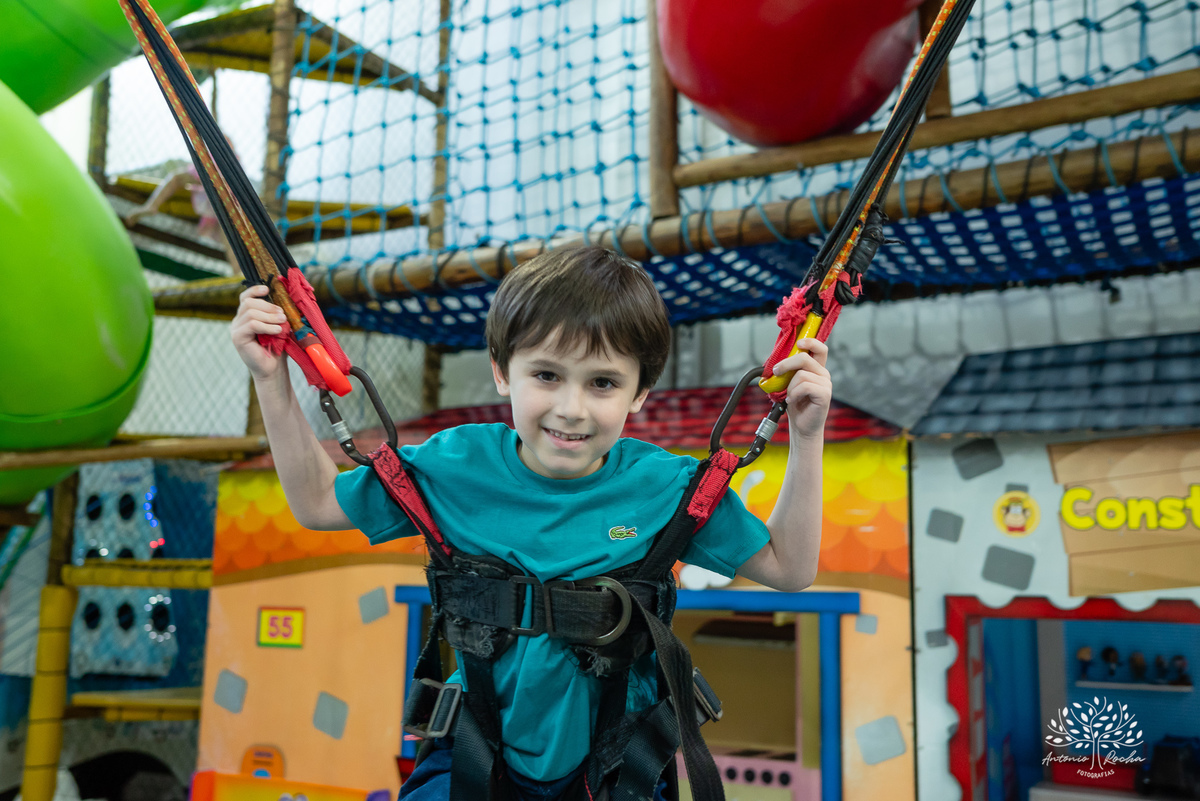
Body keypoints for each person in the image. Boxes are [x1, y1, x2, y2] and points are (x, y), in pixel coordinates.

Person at [230, 246, 831, 800]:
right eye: (546, 375)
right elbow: (316, 502)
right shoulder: (456, 467)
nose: (571, 409)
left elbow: (789, 567)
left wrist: (807, 436)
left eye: (602, 383)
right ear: (501, 371)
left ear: (640, 393)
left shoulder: (666, 487)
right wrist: (270, 379)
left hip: (618, 768)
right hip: (474, 757)